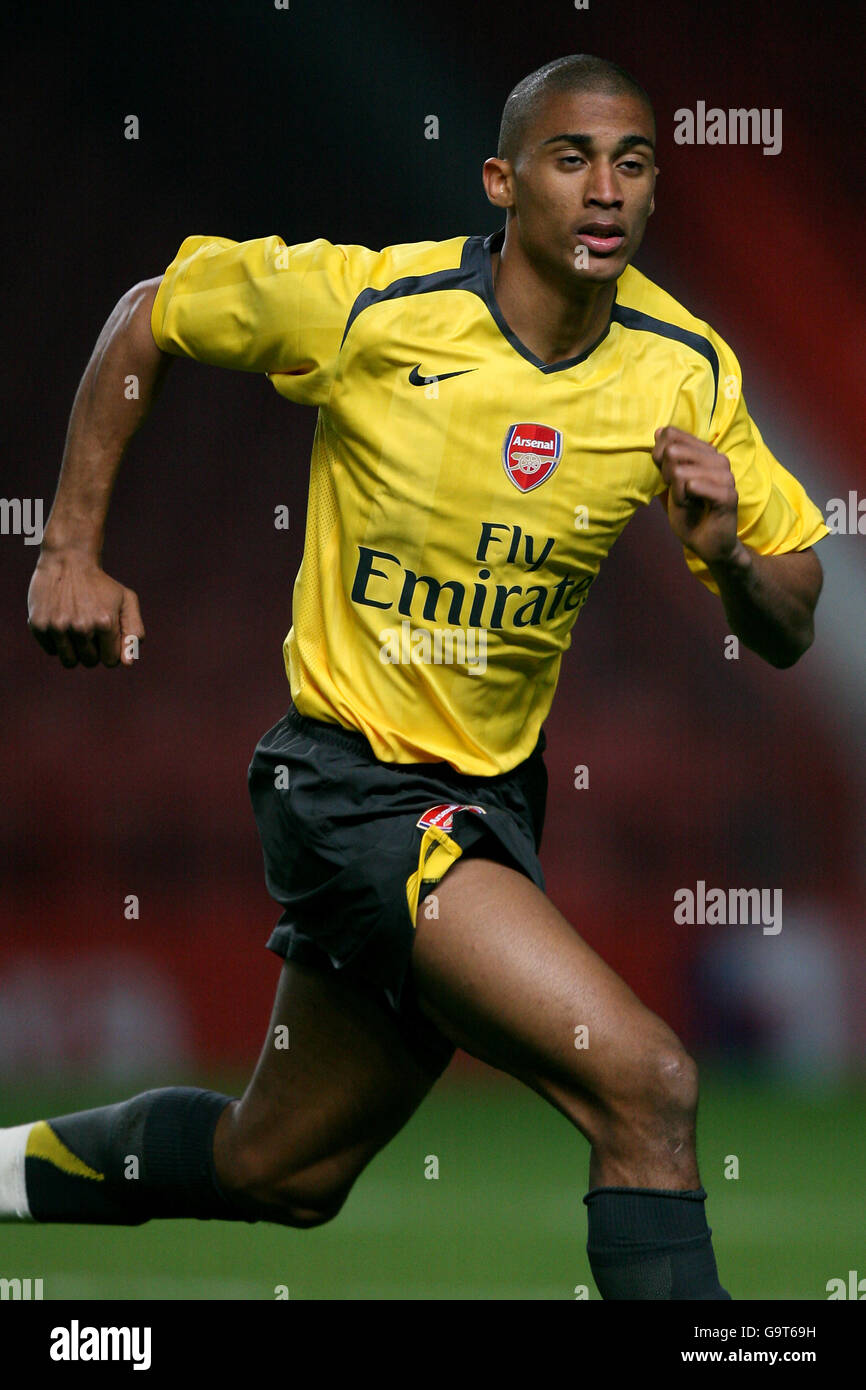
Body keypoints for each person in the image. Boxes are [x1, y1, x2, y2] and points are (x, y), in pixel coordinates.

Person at [7, 54, 827, 1300]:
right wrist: (69, 546)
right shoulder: (373, 309)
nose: (605, 189)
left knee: (276, 1166)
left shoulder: (682, 368)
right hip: (350, 787)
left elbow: (790, 611)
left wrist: (727, 563)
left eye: (634, 161)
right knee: (644, 1080)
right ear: (501, 181)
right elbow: (150, 310)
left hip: (486, 804)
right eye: (570, 159)